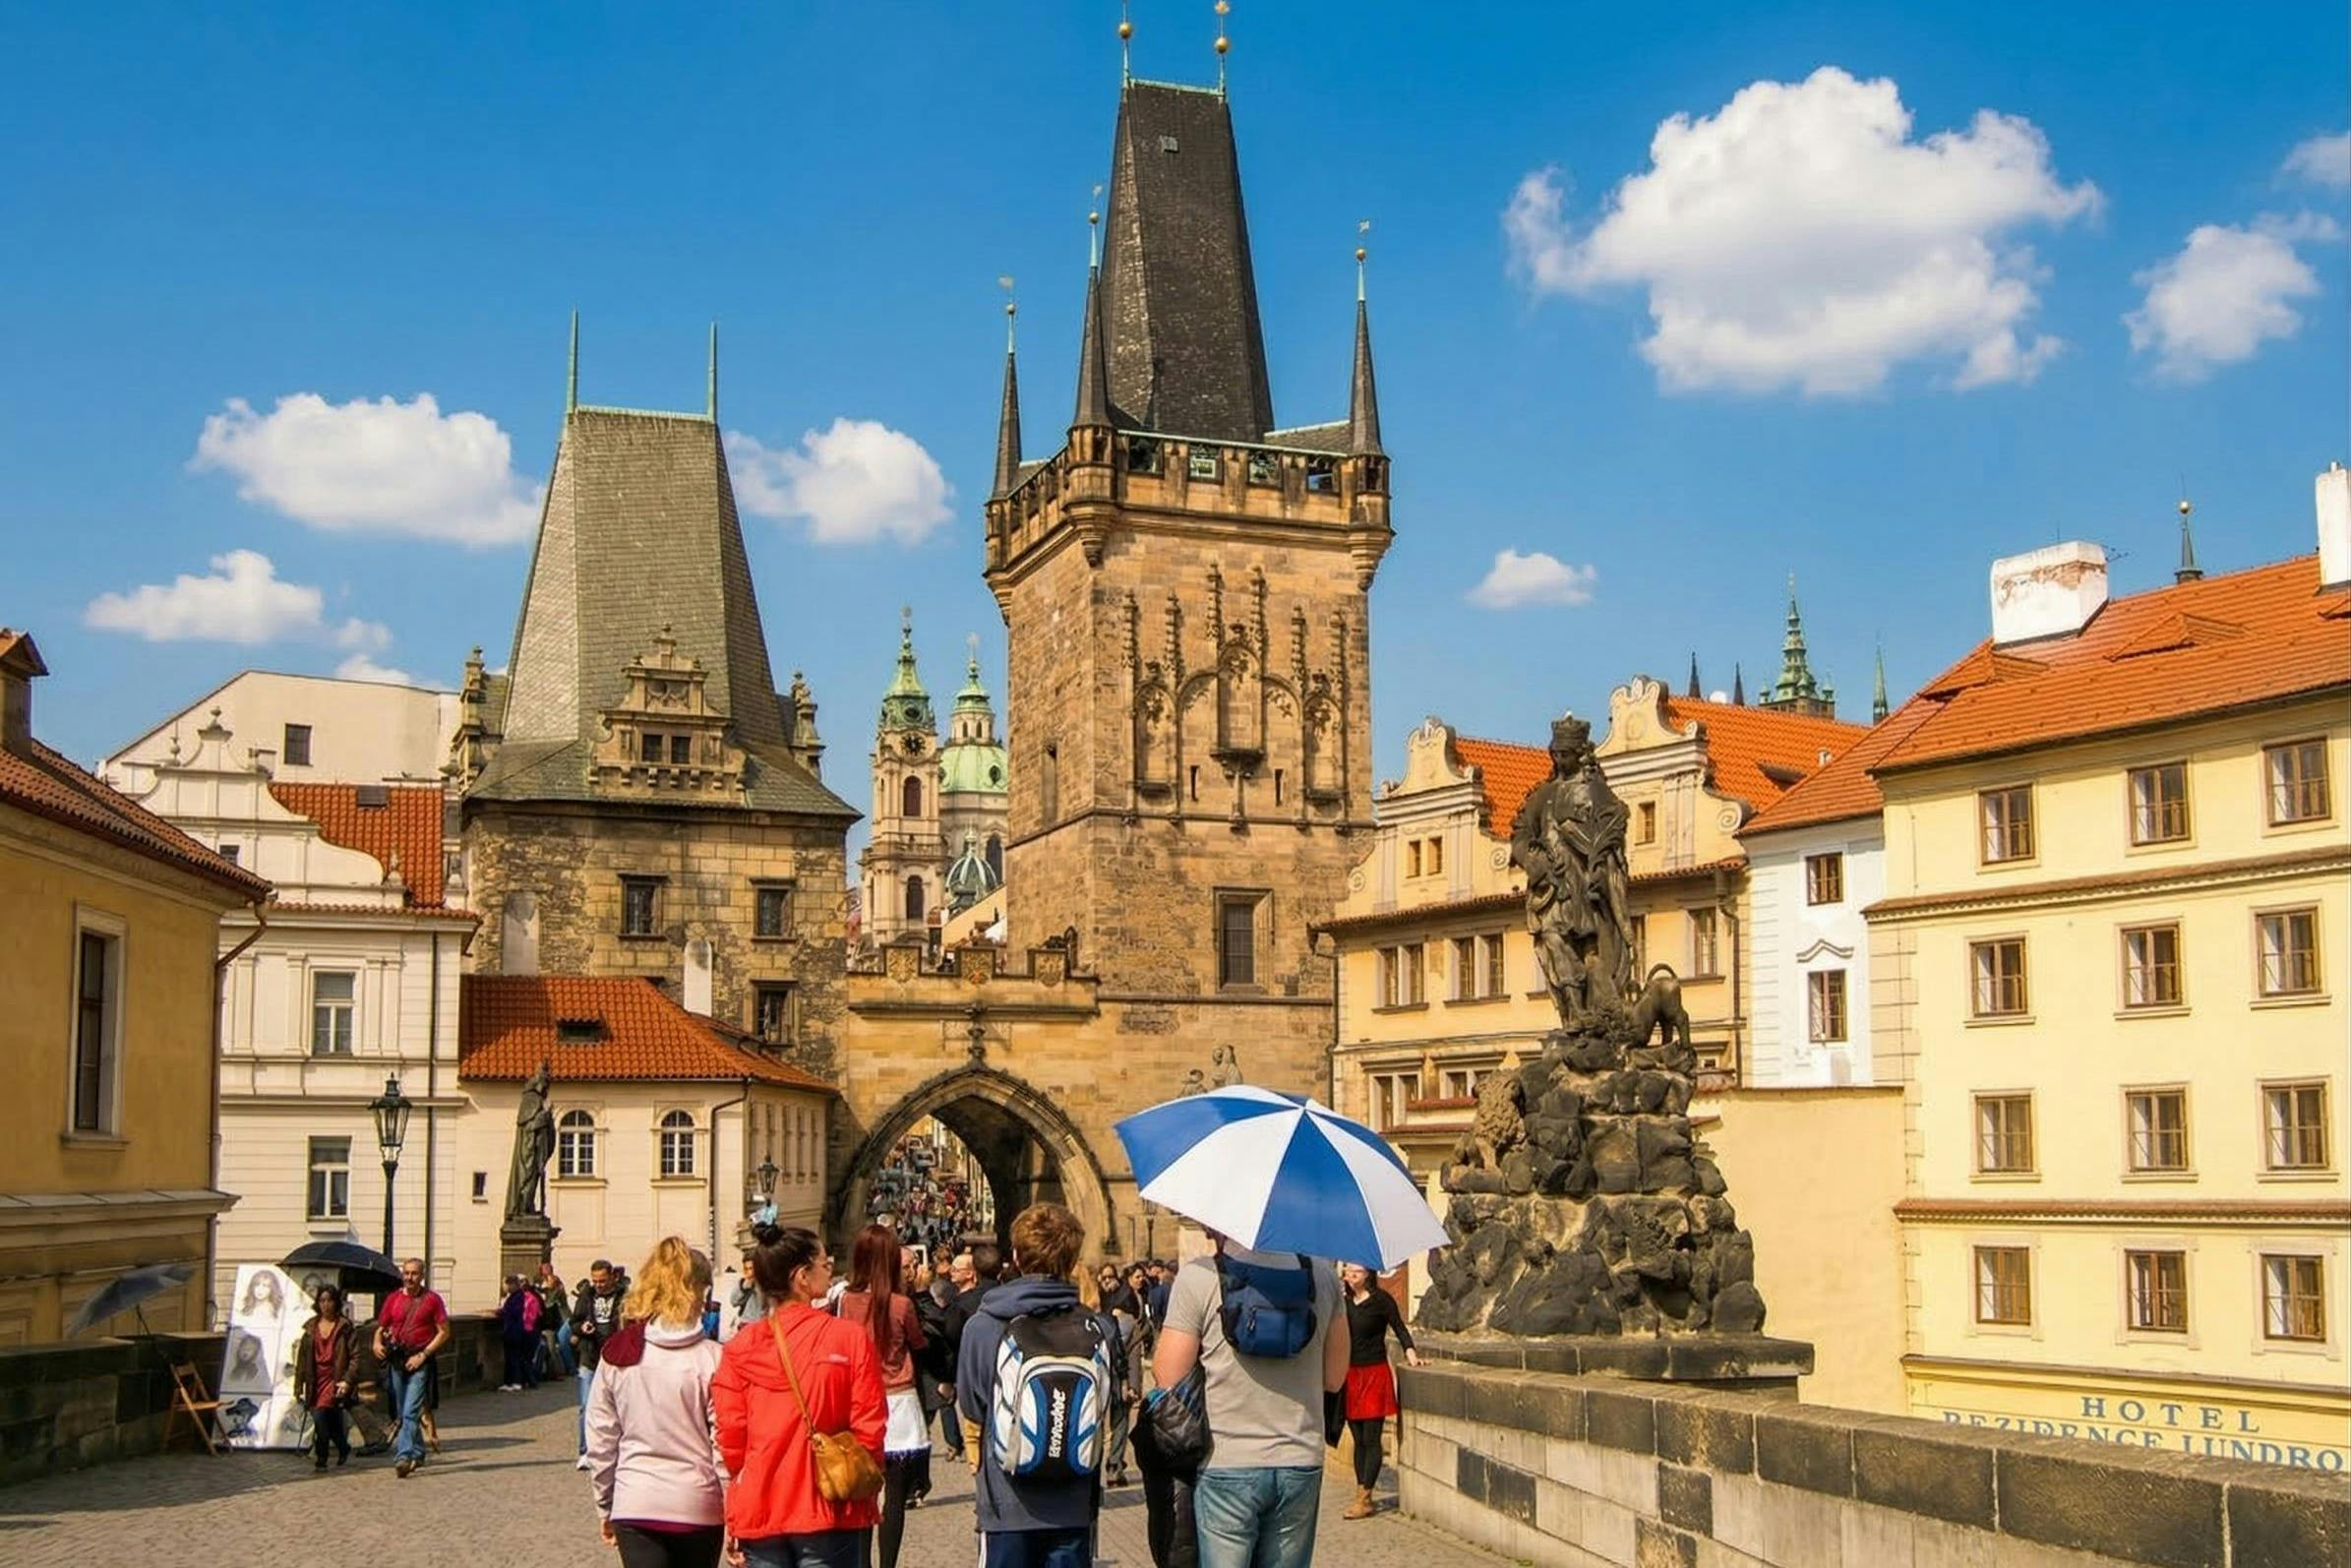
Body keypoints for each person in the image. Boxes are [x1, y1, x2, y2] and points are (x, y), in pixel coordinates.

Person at [1153, 1237, 1346, 1568]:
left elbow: (1167, 1376)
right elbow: (1335, 1377)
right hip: (1299, 1458)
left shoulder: (1200, 1275)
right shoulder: (1323, 1276)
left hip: (1227, 1459)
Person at [712, 1225, 887, 1568]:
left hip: (762, 1504)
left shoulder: (739, 1349)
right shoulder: (847, 1339)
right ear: (801, 1276)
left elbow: (731, 1439)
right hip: (829, 1503)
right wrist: (862, 1482)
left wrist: (737, 1505)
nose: (830, 1267)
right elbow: (870, 1424)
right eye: (824, 1262)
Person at [957, 1203, 1117, 1568]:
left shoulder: (983, 1327)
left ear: (1015, 1256)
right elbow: (1105, 1405)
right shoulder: (1098, 1329)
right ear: (1072, 1259)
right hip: (1074, 1502)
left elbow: (972, 1405)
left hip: (1005, 1503)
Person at [586, 1237, 728, 1568]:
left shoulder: (620, 1354)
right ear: (699, 1293)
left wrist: (604, 1503)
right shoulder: (713, 1359)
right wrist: (730, 1504)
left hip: (635, 1498)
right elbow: (724, 1443)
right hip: (697, 1503)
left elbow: (601, 1437)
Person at [837, 1225, 928, 1568]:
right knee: (894, 1494)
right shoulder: (902, 1305)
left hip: (858, 1400)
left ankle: (861, 1562)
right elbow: (919, 1344)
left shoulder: (845, 1301)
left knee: (863, 1490)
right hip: (899, 1401)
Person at [1336, 1263, 1421, 1520]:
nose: (1350, 1275)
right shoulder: (1343, 1303)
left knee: (1372, 1438)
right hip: (1350, 1375)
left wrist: (1411, 1354)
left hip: (1374, 1374)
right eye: (1348, 1271)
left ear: (1368, 1275)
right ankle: (1363, 1492)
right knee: (1358, 1439)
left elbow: (1399, 1328)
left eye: (1356, 1272)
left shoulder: (1382, 1301)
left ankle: (1363, 1497)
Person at [373, 1257, 452, 1478]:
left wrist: (424, 1354)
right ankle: (418, 1450)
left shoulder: (432, 1300)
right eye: (406, 1273)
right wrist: (377, 1343)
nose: (409, 1278)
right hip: (397, 1359)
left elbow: (444, 1331)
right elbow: (381, 1327)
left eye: (414, 1274)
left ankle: (403, 1456)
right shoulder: (393, 1299)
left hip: (420, 1360)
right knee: (402, 1410)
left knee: (410, 1410)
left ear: (422, 1275)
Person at [292, 1283, 355, 1471]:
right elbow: (302, 1360)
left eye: (329, 1300)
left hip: (334, 1379)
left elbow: (355, 1356)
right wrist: (298, 1386)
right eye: (322, 1300)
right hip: (315, 1380)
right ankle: (343, 1447)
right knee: (332, 1422)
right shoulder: (311, 1328)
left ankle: (322, 1458)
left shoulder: (344, 1327)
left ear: (336, 1303)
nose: (326, 1304)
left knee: (320, 1417)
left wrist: (348, 1380)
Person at [573, 1259, 629, 1469]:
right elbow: (574, 1322)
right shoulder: (587, 1295)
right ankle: (585, 1451)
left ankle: (616, 1450)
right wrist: (581, 1328)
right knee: (586, 1406)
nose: (598, 1285)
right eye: (595, 1281)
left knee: (619, 1407)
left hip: (616, 1359)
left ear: (612, 1277)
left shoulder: (624, 1296)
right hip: (590, 1356)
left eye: (602, 1281)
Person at [499, 1273, 542, 1391]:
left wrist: (500, 1312)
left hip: (515, 1331)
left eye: (505, 1284)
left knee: (514, 1358)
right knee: (517, 1358)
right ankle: (515, 1381)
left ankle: (515, 1382)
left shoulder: (518, 1297)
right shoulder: (520, 1296)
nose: (504, 1287)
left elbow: (511, 1312)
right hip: (519, 1331)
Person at [535, 1260, 571, 1378]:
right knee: (551, 1345)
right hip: (547, 1322)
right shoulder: (538, 1286)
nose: (548, 1272)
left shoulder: (557, 1288)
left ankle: (561, 1371)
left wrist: (551, 1288)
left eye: (549, 1269)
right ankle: (554, 1371)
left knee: (558, 1343)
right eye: (545, 1269)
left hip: (557, 1321)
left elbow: (558, 1301)